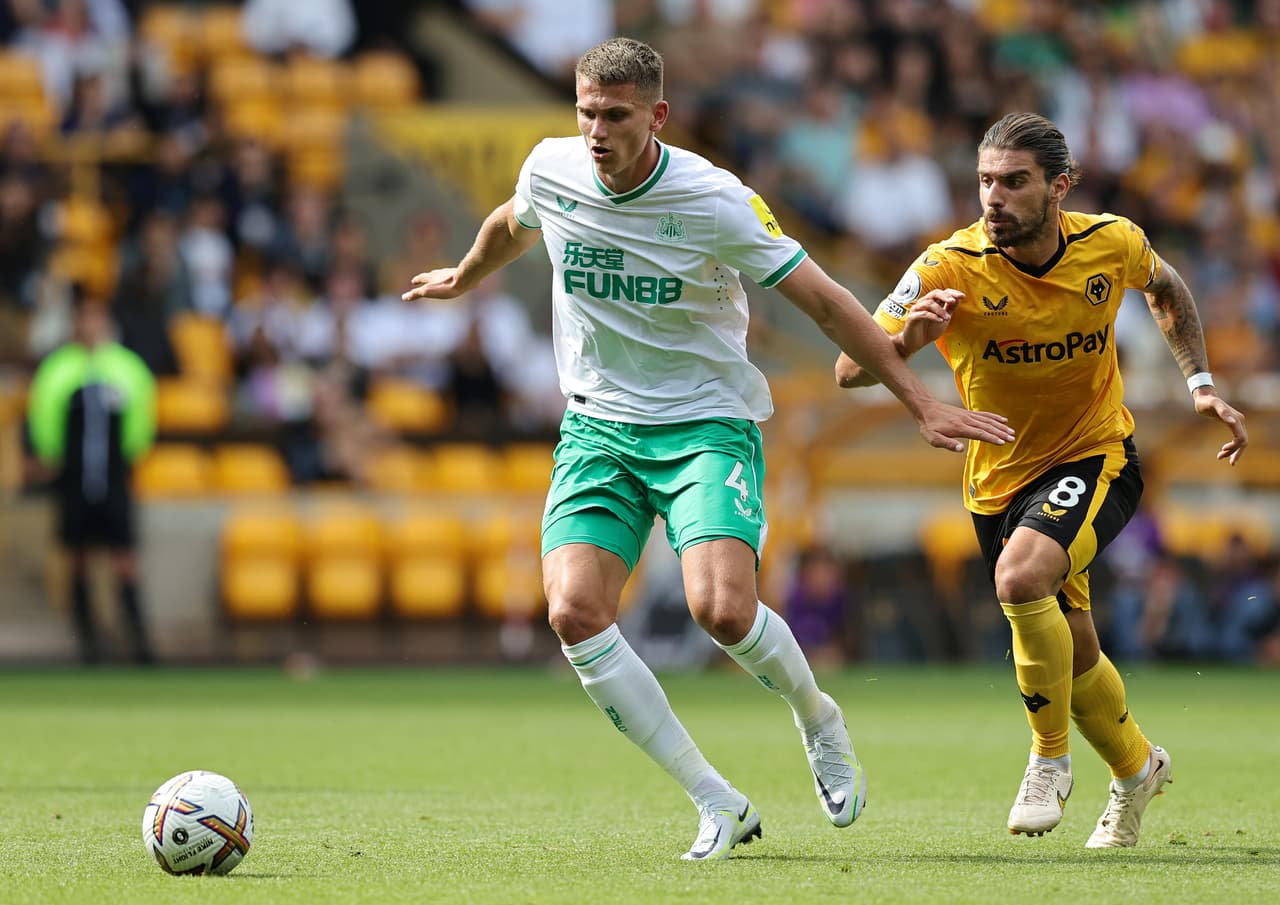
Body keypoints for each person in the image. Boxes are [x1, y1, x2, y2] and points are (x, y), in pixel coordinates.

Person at [402, 37, 1014, 861]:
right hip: (598, 427)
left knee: (721, 609)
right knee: (573, 612)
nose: (595, 130)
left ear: (656, 116)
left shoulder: (714, 199)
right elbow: (511, 223)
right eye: (585, 112)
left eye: (615, 115)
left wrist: (919, 401)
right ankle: (715, 800)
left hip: (704, 424)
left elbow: (827, 303)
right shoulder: (552, 167)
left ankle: (817, 717)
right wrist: (465, 276)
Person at [835, 112, 1248, 848]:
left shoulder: (1109, 242)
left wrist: (1201, 383)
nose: (993, 197)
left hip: (1096, 458)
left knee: (1021, 579)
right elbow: (848, 369)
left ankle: (1048, 758)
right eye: (985, 181)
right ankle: (1137, 769)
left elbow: (1167, 286)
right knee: (1075, 648)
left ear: (1059, 188)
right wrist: (906, 341)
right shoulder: (947, 266)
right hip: (997, 481)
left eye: (1014, 182)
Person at [27, 283, 158, 664]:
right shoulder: (58, 369)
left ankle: (139, 642)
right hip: (74, 480)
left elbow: (141, 424)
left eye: (96, 316)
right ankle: (87, 643)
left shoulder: (126, 368)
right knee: (78, 557)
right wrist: (51, 457)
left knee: (124, 558)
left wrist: (128, 460)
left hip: (114, 478)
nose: (89, 323)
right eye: (83, 316)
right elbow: (44, 423)